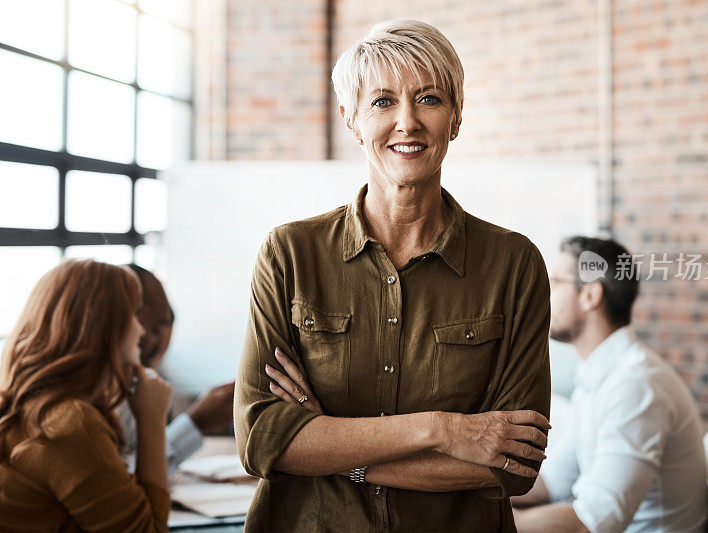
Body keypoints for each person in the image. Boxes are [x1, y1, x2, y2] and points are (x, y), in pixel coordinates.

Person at [234, 19, 551, 532]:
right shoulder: (290, 254)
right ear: (351, 119)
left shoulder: (513, 265)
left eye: (428, 99)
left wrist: (331, 446)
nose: (407, 122)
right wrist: (444, 430)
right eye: (382, 102)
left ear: (457, 116)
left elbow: (512, 465)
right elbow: (261, 441)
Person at [512, 236, 708, 533]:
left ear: (590, 295)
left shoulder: (636, 385)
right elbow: (552, 481)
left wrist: (491, 522)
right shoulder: (600, 374)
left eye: (555, 281)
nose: (542, 294)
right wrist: (469, 499)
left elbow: (591, 523)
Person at [0, 259, 172, 531]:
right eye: (133, 314)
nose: (140, 331)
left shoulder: (30, 407)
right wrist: (152, 419)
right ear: (104, 328)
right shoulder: (70, 423)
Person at [118, 264, 235, 475]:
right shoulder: (86, 401)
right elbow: (119, 483)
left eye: (164, 323)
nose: (149, 337)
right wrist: (195, 423)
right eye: (145, 325)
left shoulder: (149, 378)